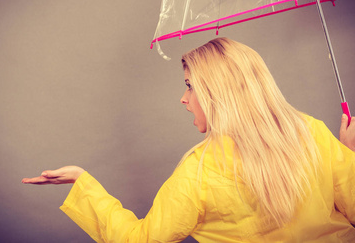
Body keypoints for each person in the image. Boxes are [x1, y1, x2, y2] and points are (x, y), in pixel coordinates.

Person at [22, 38, 355, 242]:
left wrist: (84, 182)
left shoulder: (199, 172)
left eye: (190, 85)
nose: (183, 98)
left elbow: (140, 240)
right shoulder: (310, 131)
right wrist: (348, 152)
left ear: (217, 93)